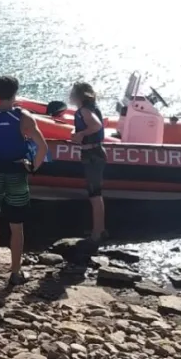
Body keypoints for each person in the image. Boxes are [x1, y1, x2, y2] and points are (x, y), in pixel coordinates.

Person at [0, 75, 48, 285]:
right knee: (16, 226)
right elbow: (42, 147)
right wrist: (33, 168)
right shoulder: (24, 118)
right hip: (16, 174)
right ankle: (15, 273)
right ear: (15, 93)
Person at [69, 82, 107, 242]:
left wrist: (82, 134)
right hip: (92, 153)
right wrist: (76, 132)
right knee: (95, 194)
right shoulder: (88, 109)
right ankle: (99, 229)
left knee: (95, 195)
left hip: (92, 154)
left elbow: (96, 126)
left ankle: (97, 232)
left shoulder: (84, 110)